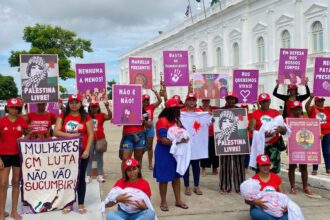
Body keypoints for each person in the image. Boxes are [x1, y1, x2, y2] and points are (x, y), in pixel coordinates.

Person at [54, 94, 94, 214]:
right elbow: (56, 131)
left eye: (77, 102)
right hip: (66, 153)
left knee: (81, 177)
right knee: (68, 178)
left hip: (82, 152)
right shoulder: (63, 115)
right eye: (72, 102)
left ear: (81, 104)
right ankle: (68, 202)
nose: (74, 104)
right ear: (69, 104)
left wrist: (87, 150)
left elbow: (91, 134)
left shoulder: (86, 117)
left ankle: (81, 203)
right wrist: (70, 136)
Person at [153, 98, 188, 211]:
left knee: (176, 177)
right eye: (177, 108)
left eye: (179, 108)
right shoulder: (162, 121)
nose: (179, 111)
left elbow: (182, 133)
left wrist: (183, 134)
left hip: (175, 152)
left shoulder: (176, 120)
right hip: (164, 151)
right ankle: (163, 201)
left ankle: (178, 200)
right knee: (164, 178)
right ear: (170, 109)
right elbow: (163, 140)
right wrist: (179, 141)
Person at [0, 98, 28, 220]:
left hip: (17, 155)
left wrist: (24, 138)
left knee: (16, 182)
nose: (14, 110)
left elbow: (28, 133)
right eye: (12, 107)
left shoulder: (22, 121)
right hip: (4, 155)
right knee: (3, 184)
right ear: (7, 108)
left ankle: (13, 211)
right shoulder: (1, 121)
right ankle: (1, 212)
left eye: (17, 108)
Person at [249, 93, 287, 174]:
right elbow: (251, 128)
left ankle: (273, 185)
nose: (265, 103)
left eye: (266, 101)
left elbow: (284, 130)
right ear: (259, 103)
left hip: (273, 147)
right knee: (260, 170)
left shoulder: (275, 113)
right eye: (262, 102)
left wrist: (280, 129)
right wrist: (261, 134)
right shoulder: (255, 114)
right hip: (260, 146)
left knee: (273, 170)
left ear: (269, 101)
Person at [245, 154, 288, 220]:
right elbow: (247, 200)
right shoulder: (253, 180)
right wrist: (255, 202)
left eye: (267, 165)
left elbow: (283, 196)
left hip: (275, 207)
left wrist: (285, 207)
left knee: (289, 214)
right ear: (258, 166)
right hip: (260, 208)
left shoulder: (276, 178)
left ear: (270, 165)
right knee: (256, 214)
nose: (265, 167)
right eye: (263, 165)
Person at [218, 92, 245, 193]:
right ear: (226, 100)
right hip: (225, 142)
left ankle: (240, 187)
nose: (230, 101)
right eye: (228, 99)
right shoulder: (220, 111)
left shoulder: (240, 111)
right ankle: (225, 186)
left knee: (239, 165)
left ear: (235, 100)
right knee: (225, 165)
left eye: (232, 99)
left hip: (238, 141)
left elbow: (243, 124)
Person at [286, 101, 315, 197]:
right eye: (295, 109)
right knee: (292, 166)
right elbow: (286, 134)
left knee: (304, 167)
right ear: (291, 110)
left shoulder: (306, 119)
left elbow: (312, 131)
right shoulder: (288, 120)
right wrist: (287, 145)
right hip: (293, 146)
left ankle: (305, 187)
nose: (297, 111)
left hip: (303, 146)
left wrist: (319, 136)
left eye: (299, 109)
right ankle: (292, 186)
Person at [181, 93, 204, 195]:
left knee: (196, 165)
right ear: (186, 102)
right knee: (186, 165)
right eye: (189, 100)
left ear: (196, 102)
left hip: (196, 143)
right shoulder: (181, 112)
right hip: (185, 143)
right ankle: (186, 186)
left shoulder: (200, 112)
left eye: (193, 100)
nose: (191, 102)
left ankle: (196, 186)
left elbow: (205, 123)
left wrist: (211, 121)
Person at [86, 101, 112, 183]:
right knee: (88, 158)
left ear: (98, 107)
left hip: (100, 139)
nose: (94, 108)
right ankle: (88, 175)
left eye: (96, 107)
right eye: (92, 107)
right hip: (89, 140)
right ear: (89, 108)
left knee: (99, 158)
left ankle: (100, 175)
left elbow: (110, 117)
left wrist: (107, 107)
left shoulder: (101, 115)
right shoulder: (86, 116)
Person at [305, 95, 330, 175]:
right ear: (315, 102)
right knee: (315, 151)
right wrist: (311, 98)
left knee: (327, 151)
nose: (321, 102)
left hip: (327, 133)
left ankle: (328, 168)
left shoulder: (327, 109)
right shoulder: (312, 109)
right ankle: (315, 168)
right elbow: (306, 106)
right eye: (319, 101)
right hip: (315, 133)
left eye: (322, 100)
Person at [142, 88, 162, 170]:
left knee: (149, 146)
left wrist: (155, 92)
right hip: (141, 128)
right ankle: (138, 161)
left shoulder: (152, 106)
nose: (146, 101)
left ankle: (150, 164)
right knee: (140, 147)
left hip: (150, 128)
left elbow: (160, 101)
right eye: (145, 100)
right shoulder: (138, 107)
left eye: (147, 100)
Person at [200, 99, 220, 176]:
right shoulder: (199, 110)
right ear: (202, 101)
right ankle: (203, 168)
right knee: (204, 152)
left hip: (215, 134)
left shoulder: (215, 108)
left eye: (207, 101)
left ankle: (214, 168)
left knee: (215, 152)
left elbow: (223, 111)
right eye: (204, 101)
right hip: (203, 135)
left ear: (209, 101)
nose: (206, 102)